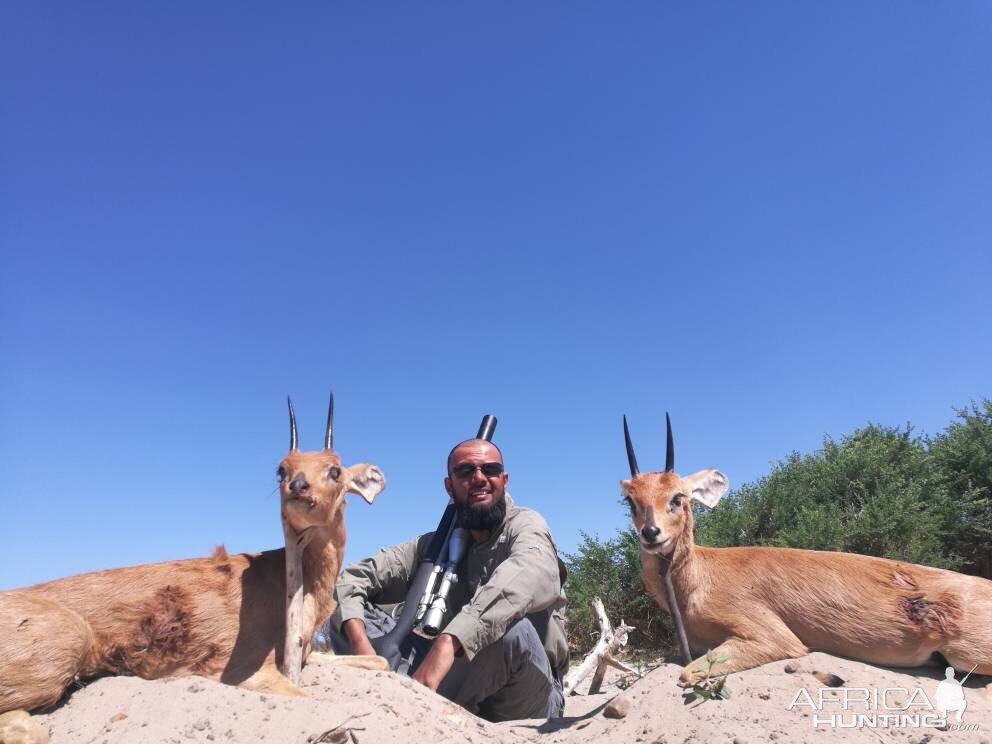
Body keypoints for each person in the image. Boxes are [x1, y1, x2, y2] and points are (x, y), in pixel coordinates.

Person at [330, 437, 568, 722]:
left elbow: (533, 571)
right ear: (449, 486)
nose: (479, 478)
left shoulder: (526, 525)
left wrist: (450, 640)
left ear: (504, 480)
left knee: (513, 630)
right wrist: (361, 647)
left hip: (525, 692)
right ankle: (393, 696)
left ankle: (418, 707)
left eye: (489, 470)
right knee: (342, 611)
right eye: (466, 472)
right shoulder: (433, 545)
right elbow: (352, 579)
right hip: (458, 679)